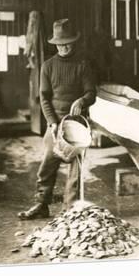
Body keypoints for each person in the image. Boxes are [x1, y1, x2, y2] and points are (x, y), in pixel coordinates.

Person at [18, 19, 96, 219]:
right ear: (55, 44)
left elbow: (91, 93)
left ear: (74, 41)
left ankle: (70, 211)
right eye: (60, 44)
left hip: (77, 124)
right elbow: (43, 98)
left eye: (67, 42)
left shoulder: (83, 64)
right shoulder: (48, 66)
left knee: (75, 170)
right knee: (47, 165)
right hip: (55, 123)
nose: (63, 47)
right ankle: (41, 204)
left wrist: (82, 100)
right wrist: (52, 123)